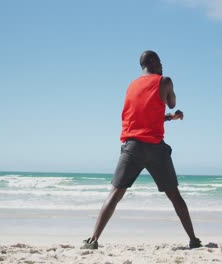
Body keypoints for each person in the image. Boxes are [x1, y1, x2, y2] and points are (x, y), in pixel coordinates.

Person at [81, 50, 201, 250]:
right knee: (174, 195)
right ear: (152, 62)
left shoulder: (131, 86)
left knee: (115, 193)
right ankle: (193, 240)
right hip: (155, 148)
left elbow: (145, 117)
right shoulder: (164, 80)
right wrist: (173, 105)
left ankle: (93, 240)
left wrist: (171, 118)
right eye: (160, 62)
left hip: (132, 147)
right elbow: (172, 102)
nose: (162, 65)